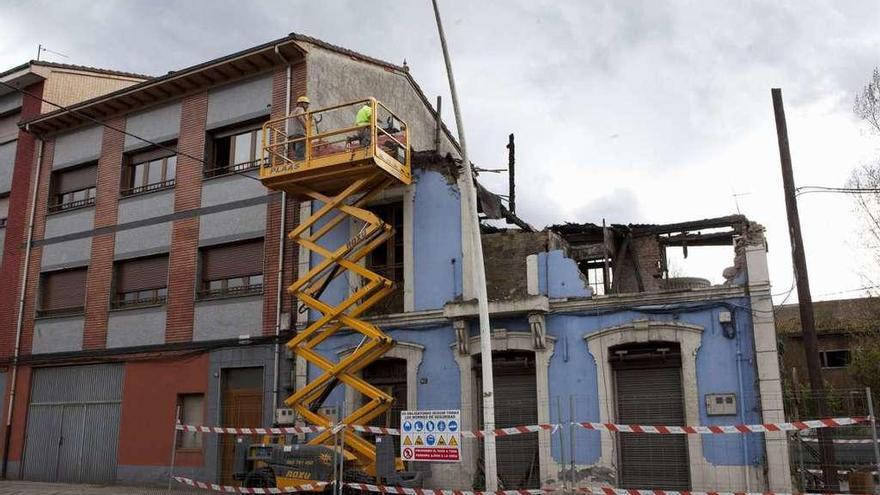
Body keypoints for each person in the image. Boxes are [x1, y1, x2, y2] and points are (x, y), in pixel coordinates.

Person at [290, 95, 310, 160]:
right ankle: (300, 162)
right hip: (299, 133)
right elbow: (300, 117)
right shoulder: (300, 109)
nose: (307, 106)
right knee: (300, 150)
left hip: (291, 135)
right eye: (306, 104)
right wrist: (306, 127)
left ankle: (297, 160)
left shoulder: (292, 112)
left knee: (296, 150)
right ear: (301, 103)